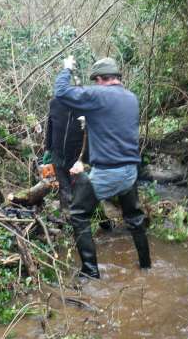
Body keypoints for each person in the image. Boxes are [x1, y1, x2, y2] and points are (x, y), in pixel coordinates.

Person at [54, 56, 151, 279]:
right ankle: (146, 266)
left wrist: (67, 69)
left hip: (108, 172)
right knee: (135, 218)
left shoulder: (98, 94)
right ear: (116, 77)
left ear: (99, 79)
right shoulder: (131, 98)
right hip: (130, 171)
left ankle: (90, 272)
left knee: (78, 214)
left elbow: (61, 92)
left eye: (95, 81)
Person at [43, 96, 86, 212]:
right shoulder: (54, 103)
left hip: (76, 157)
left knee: (79, 190)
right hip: (57, 154)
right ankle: (66, 218)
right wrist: (48, 148)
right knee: (64, 188)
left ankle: (98, 219)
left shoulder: (85, 105)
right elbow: (50, 125)